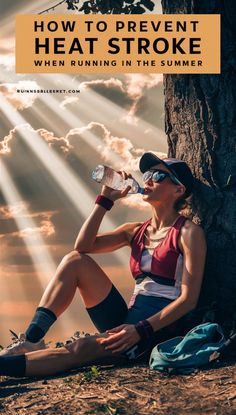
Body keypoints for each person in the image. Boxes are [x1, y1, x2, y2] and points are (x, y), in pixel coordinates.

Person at [0, 152, 206, 377]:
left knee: (81, 348)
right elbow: (83, 246)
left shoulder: (188, 233)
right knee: (75, 261)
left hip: (155, 329)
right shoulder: (134, 230)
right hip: (127, 320)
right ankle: (31, 340)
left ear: (179, 189)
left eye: (158, 175)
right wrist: (105, 200)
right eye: (147, 173)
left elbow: (189, 300)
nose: (148, 179)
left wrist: (140, 330)